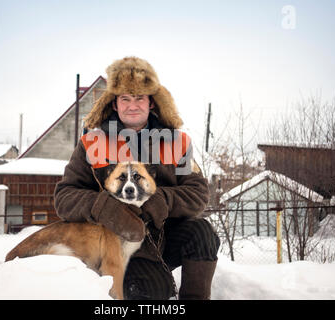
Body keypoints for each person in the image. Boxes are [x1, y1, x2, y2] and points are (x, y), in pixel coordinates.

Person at [54, 56, 220, 300]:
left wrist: (161, 200)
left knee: (203, 233)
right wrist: (104, 207)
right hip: (119, 243)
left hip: (165, 236)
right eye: (125, 99)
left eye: (139, 98)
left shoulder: (177, 142)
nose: (133, 105)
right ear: (114, 104)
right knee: (152, 292)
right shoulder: (92, 143)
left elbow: (198, 193)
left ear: (151, 103)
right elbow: (64, 197)